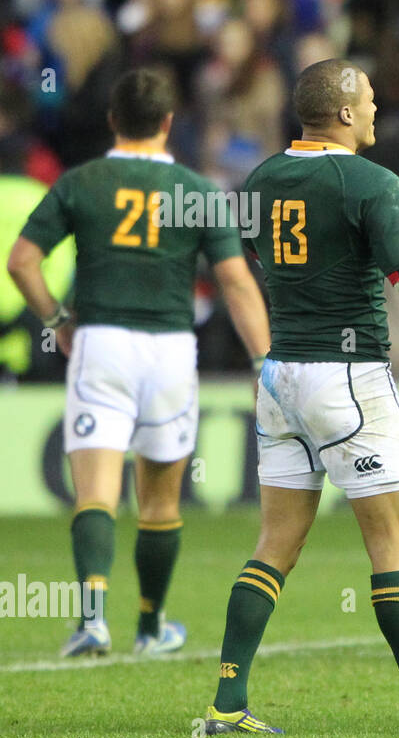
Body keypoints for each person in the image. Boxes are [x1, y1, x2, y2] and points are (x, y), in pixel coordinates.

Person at [202, 59, 399, 735]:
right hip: (349, 376)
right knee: (392, 544)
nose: (374, 110)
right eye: (367, 99)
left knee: (274, 541)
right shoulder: (371, 181)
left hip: (279, 377)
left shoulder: (263, 178)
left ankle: (226, 702)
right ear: (342, 112)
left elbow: (286, 251)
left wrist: (380, 219)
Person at [6, 68, 270, 658]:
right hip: (171, 350)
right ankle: (150, 627)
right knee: (160, 501)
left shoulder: (83, 182)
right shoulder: (197, 191)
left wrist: (56, 322)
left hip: (100, 342)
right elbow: (235, 282)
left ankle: (92, 619)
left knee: (97, 493)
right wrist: (263, 362)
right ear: (169, 123)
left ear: (112, 121)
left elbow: (22, 261)